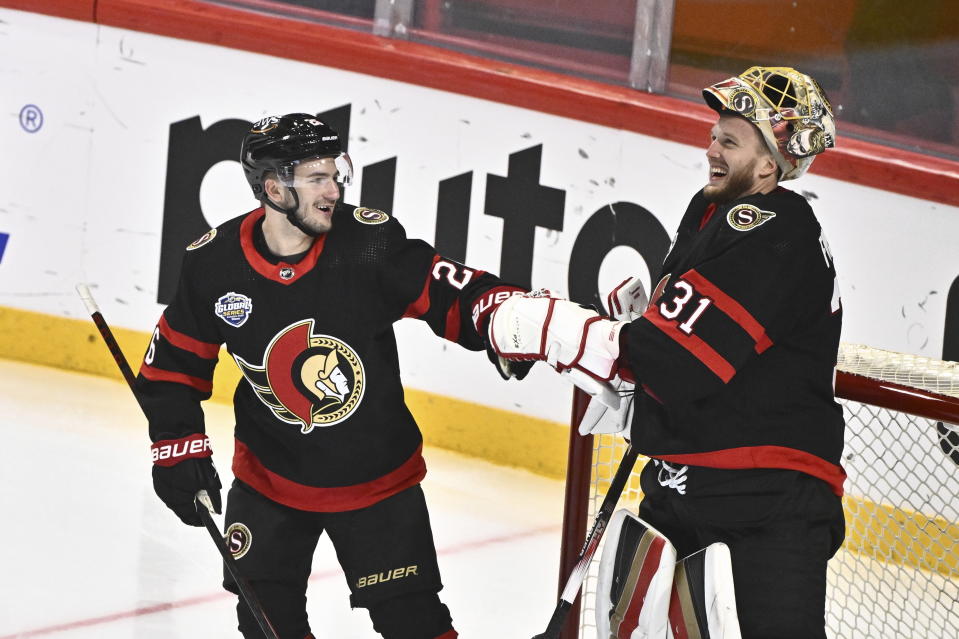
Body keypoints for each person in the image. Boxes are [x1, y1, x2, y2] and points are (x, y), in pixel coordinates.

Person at [138, 113, 529, 639]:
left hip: (375, 481)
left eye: (335, 172)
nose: (334, 188)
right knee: (266, 627)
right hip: (268, 480)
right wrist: (176, 446)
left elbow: (444, 287)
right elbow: (171, 367)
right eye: (316, 177)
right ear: (274, 189)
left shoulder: (367, 244)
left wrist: (499, 317)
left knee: (413, 624)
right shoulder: (214, 264)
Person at [489, 66, 845, 638]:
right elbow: (681, 348)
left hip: (763, 501)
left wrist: (555, 331)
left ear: (770, 161)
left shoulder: (781, 227)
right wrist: (638, 389)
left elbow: (679, 361)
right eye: (713, 135)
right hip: (683, 486)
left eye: (730, 141)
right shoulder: (710, 213)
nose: (711, 149)